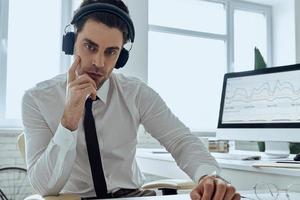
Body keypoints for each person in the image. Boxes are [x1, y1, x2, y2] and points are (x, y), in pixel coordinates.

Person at [22, 0, 241, 199]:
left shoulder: (135, 92)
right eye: (90, 47)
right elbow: (44, 187)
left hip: (133, 195)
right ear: (71, 42)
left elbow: (180, 140)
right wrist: (69, 118)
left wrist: (208, 176)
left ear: (121, 57)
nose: (99, 62)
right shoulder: (37, 99)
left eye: (111, 52)